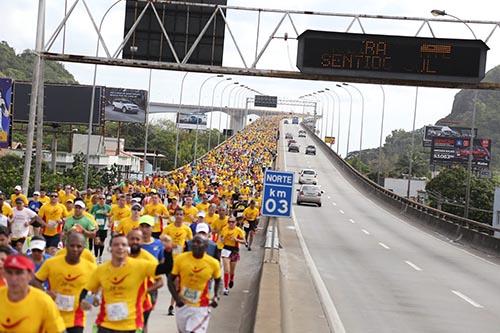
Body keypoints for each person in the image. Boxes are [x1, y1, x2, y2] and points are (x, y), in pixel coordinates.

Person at [79, 234, 173, 333]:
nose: (120, 247)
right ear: (110, 249)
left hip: (131, 326)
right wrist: (87, 302)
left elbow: (166, 268)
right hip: (106, 325)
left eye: (123, 245)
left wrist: (168, 249)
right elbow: (87, 290)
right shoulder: (101, 270)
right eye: (116, 245)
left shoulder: (140, 266)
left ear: (128, 248)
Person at [34, 233, 97, 333]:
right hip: (52, 314)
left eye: (79, 246)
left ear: (83, 248)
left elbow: (96, 288)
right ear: (66, 246)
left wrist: (89, 300)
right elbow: (35, 281)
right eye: (72, 245)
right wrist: (45, 292)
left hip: (76, 319)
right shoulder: (51, 263)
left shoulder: (91, 268)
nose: (75, 249)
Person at [168, 234, 221, 333]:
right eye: (194, 242)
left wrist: (216, 296)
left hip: (201, 306)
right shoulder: (180, 259)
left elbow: (218, 281)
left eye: (199, 242)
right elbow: (170, 280)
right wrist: (176, 298)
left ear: (206, 246)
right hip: (183, 305)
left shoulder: (213, 263)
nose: (196, 245)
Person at [0, 254, 66, 333]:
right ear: (3, 274)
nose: (13, 279)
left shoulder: (43, 302)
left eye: (19, 273)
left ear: (30, 275)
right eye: (9, 272)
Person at [127, 229, 164, 333]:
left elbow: (160, 282)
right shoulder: (120, 256)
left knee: (141, 327)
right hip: (123, 300)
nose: (134, 241)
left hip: (143, 302)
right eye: (132, 239)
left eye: (137, 239)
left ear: (142, 241)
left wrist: (144, 290)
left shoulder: (149, 259)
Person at [161, 207, 193, 315]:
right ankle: (175, 304)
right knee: (173, 284)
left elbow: (191, 242)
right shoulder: (169, 228)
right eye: (177, 214)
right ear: (174, 216)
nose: (179, 216)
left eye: (181, 214)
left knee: (177, 283)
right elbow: (161, 239)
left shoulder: (186, 229)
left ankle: (172, 306)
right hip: (169, 260)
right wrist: (169, 244)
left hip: (181, 261)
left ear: (183, 216)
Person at [218, 216, 246, 295]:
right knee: (226, 269)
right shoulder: (225, 229)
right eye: (229, 222)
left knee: (232, 270)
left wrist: (237, 240)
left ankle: (231, 279)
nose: (230, 223)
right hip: (226, 249)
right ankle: (225, 287)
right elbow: (221, 237)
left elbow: (244, 241)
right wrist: (222, 240)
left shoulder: (238, 230)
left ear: (235, 223)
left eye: (232, 222)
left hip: (234, 250)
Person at [89, 194, 111, 263]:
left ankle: (100, 256)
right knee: (96, 241)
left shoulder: (108, 207)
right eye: (100, 198)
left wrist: (107, 215)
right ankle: (95, 256)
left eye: (103, 199)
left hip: (104, 227)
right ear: (98, 200)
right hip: (96, 227)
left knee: (101, 242)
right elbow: (90, 215)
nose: (102, 200)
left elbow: (111, 216)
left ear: (105, 200)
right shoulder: (95, 207)